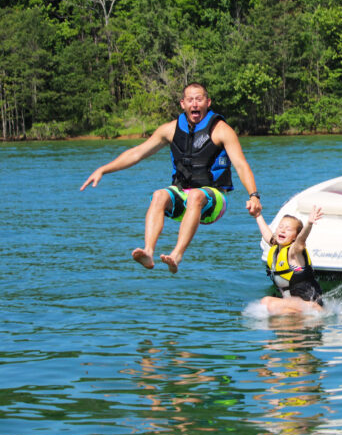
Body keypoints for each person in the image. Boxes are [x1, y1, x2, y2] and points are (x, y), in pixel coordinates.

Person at [80, 82, 262, 273]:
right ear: (182, 104)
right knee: (159, 195)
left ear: (208, 102)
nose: (194, 104)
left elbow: (241, 165)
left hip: (212, 201)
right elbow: (137, 153)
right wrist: (103, 169)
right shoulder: (170, 129)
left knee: (196, 196)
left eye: (199, 99)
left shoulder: (221, 130)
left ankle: (176, 255)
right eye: (190, 100)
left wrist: (254, 195)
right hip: (182, 197)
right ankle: (149, 252)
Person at [256, 206, 324, 314]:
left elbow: (301, 240)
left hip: (310, 305)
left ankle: (311, 316)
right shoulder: (277, 248)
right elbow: (267, 235)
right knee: (266, 302)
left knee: (271, 305)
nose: (282, 230)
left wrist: (309, 224)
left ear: (294, 237)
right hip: (296, 304)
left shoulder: (294, 253)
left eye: (288, 229)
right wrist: (257, 215)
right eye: (280, 227)